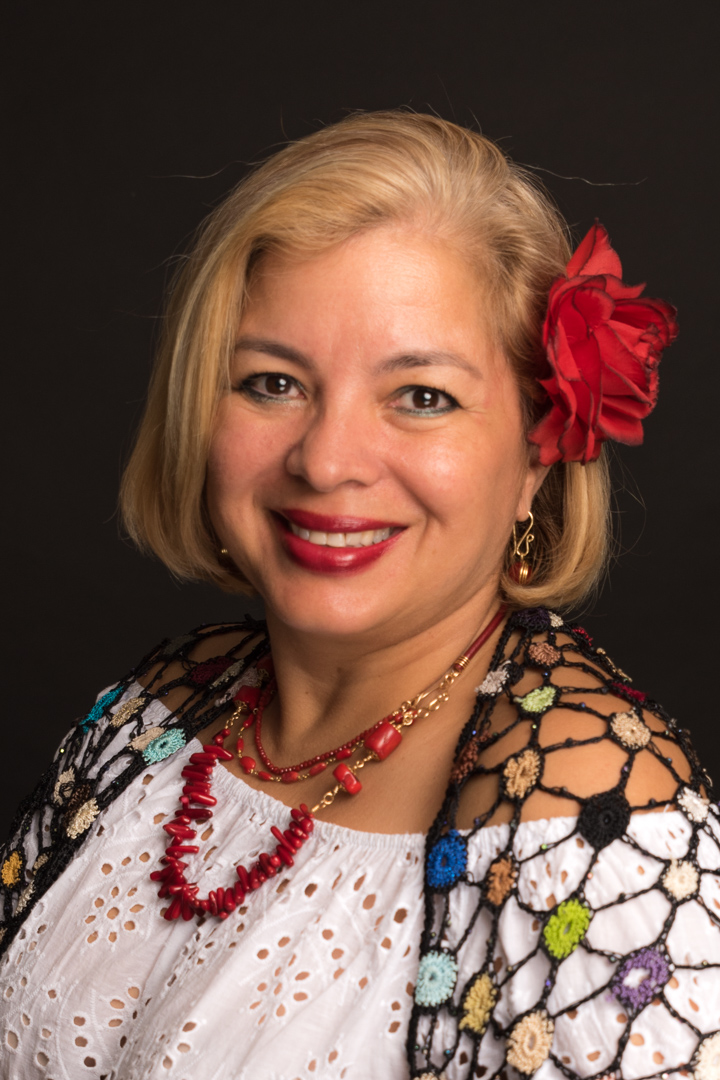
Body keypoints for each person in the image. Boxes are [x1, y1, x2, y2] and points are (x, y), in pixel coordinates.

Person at [1, 111, 717, 1080]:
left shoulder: (592, 816)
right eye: (272, 383)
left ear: (537, 453)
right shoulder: (162, 706)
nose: (327, 460)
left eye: (422, 397)